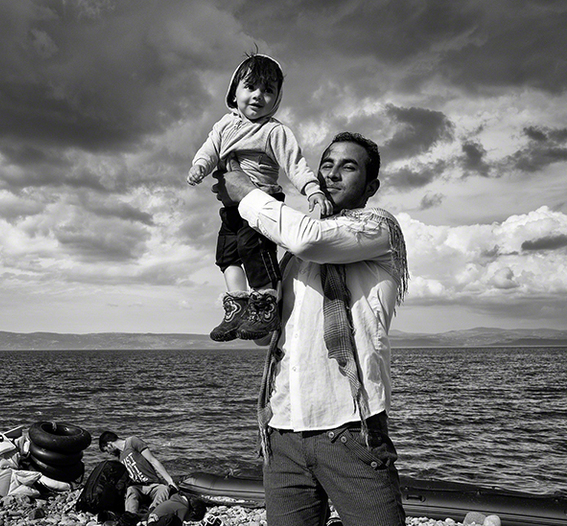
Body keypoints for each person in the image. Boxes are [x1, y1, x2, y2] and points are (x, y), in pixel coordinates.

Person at [212, 132, 409, 526]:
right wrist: (243, 291)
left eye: (348, 166)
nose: (333, 174)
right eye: (327, 164)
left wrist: (246, 193)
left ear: (371, 186)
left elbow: (307, 237)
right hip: (282, 432)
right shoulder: (292, 260)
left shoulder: (376, 228)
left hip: (350, 430)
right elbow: (270, 337)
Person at [187, 53, 331, 342]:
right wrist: (200, 165)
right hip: (230, 210)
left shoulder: (273, 131)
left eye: (268, 90)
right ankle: (237, 306)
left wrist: (312, 189)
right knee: (227, 257)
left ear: (277, 98)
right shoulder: (223, 125)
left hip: (262, 206)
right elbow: (209, 148)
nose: (258, 96)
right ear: (234, 92)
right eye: (250, 87)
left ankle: (265, 306)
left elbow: (295, 164)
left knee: (256, 255)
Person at [98, 431, 177, 516]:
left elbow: (153, 460)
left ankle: (152, 514)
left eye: (107, 450)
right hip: (138, 487)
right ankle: (130, 517)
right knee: (131, 491)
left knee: (163, 489)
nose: (109, 453)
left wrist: (170, 481)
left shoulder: (132, 442)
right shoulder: (120, 457)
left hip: (153, 484)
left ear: (109, 444)